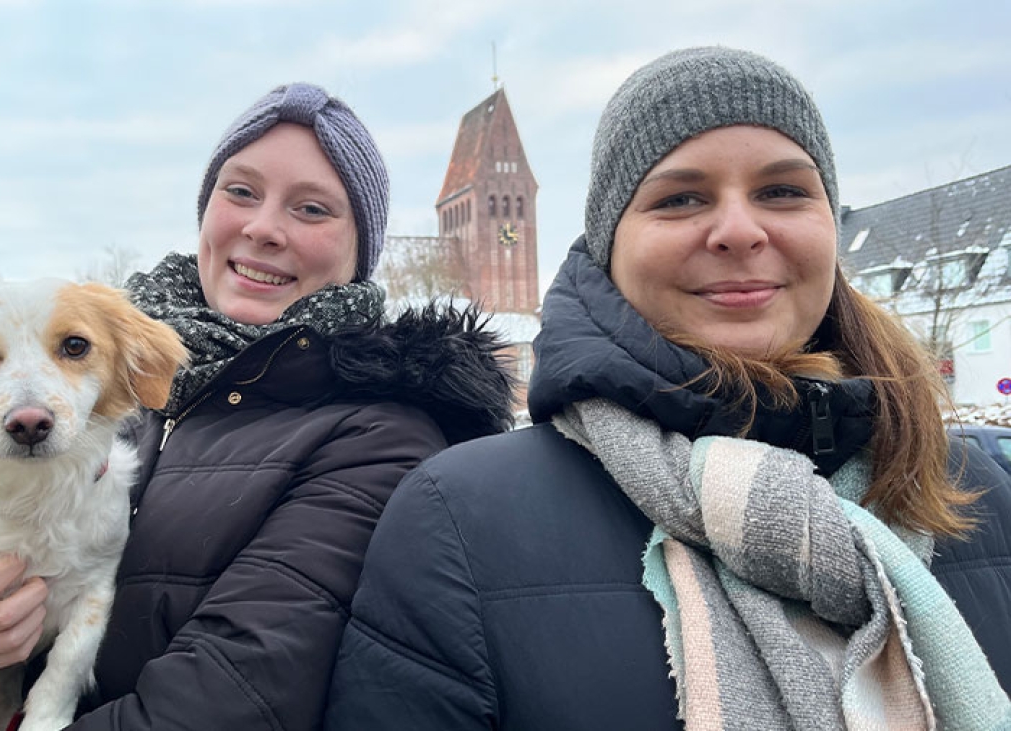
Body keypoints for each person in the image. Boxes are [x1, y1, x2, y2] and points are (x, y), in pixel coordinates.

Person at [324, 48, 1011, 730]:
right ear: (607, 249)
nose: (740, 231)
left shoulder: (984, 494)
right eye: (680, 197)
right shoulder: (459, 522)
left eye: (783, 190)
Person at [0, 82, 516, 729]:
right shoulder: (123, 389)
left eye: (311, 207)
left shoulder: (378, 436)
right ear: (207, 211)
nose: (264, 227)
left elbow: (228, 698)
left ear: (361, 246)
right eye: (241, 190)